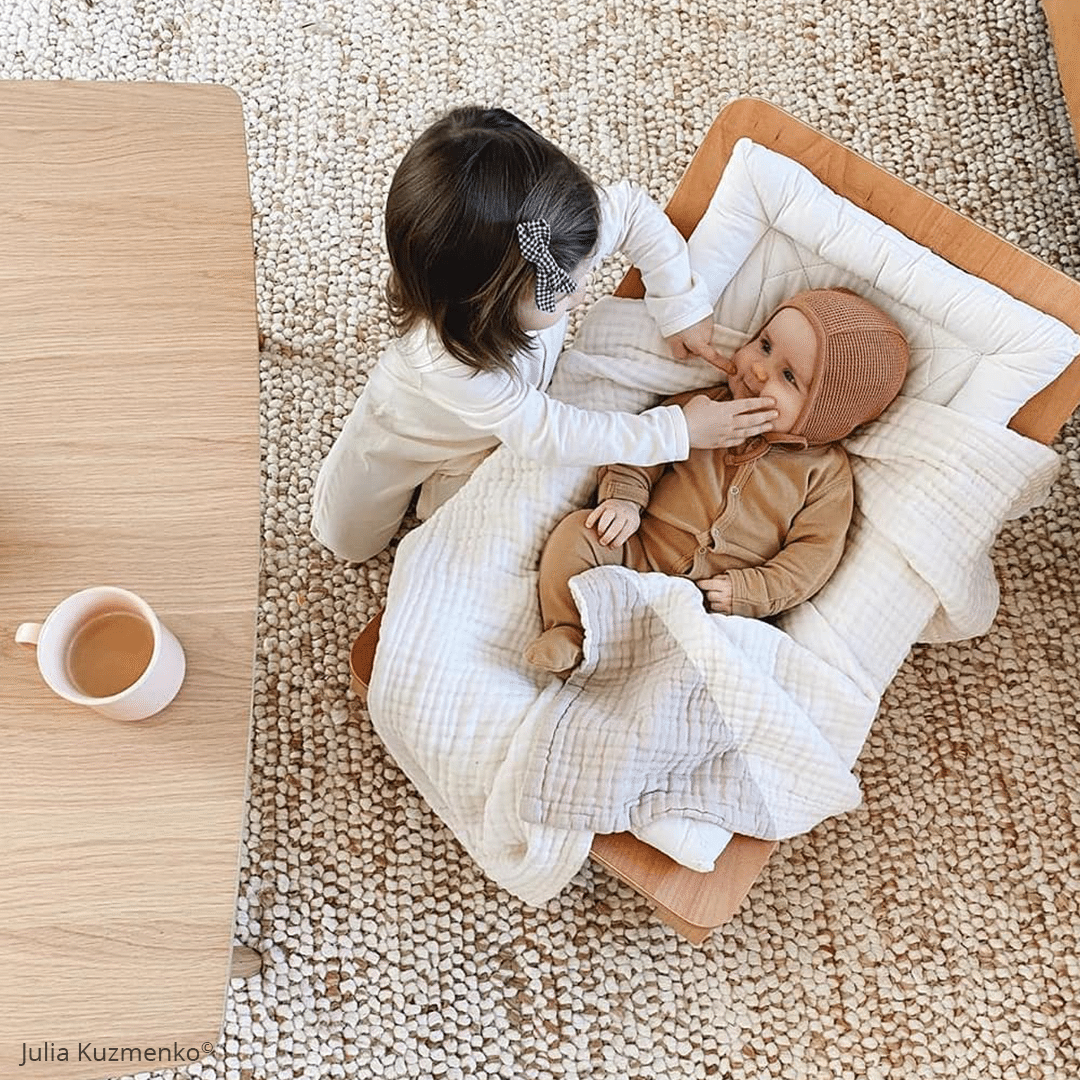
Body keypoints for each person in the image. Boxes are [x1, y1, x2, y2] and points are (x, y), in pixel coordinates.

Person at [311, 106, 779, 563]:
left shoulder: (561, 236)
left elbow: (634, 210)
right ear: (486, 307)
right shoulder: (444, 362)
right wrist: (680, 430)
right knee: (348, 542)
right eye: (558, 293)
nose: (579, 295)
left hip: (495, 432)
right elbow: (550, 432)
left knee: (452, 533)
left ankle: (444, 487)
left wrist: (680, 306)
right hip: (409, 432)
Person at [524, 287, 910, 675]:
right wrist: (624, 500)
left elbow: (810, 560)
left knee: (739, 660)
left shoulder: (825, 476)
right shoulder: (705, 409)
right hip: (636, 551)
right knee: (579, 532)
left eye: (788, 376)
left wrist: (748, 592)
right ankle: (568, 629)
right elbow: (645, 446)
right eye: (764, 345)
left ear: (827, 413)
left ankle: (642, 680)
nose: (760, 370)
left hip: (710, 604)